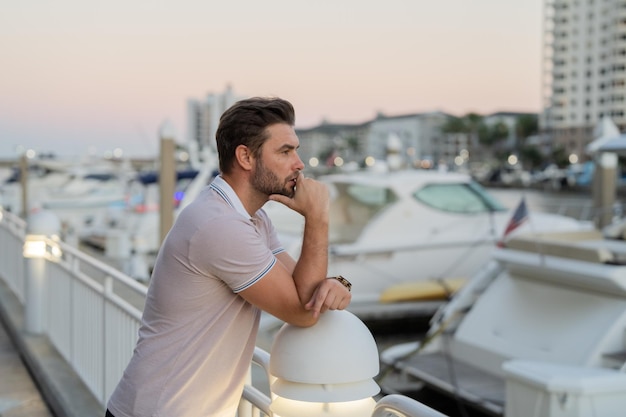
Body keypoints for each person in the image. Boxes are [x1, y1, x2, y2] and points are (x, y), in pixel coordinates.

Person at [105, 97, 352, 417]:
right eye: (285, 151)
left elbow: (301, 287)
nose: (299, 164)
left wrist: (337, 282)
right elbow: (302, 311)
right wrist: (318, 217)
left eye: (296, 150)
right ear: (246, 157)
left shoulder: (253, 219)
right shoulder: (218, 224)